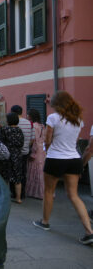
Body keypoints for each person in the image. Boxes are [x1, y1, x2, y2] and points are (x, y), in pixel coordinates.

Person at [32, 91, 93, 245]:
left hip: (55, 158)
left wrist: (50, 150)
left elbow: (47, 140)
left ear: (58, 104)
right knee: (74, 195)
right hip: (74, 159)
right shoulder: (78, 120)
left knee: (49, 191)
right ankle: (89, 231)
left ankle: (45, 222)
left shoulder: (53, 118)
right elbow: (76, 140)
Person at [0, 113, 24, 202]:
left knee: (5, 177)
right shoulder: (19, 130)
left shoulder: (4, 129)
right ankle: (18, 198)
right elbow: (21, 143)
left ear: (8, 120)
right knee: (17, 178)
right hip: (17, 156)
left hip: (6, 155)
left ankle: (6, 197)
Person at [11, 105, 35, 200]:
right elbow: (32, 139)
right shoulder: (29, 123)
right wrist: (26, 146)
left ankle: (14, 193)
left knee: (14, 173)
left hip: (14, 153)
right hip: (25, 152)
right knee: (23, 173)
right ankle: (22, 193)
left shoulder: (13, 123)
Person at [26, 109, 46, 199]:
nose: (27, 116)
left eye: (28, 114)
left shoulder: (33, 126)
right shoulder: (42, 126)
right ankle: (43, 192)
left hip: (36, 149)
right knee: (41, 171)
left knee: (34, 170)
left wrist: (32, 152)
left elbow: (34, 141)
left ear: (31, 116)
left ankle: (35, 192)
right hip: (42, 150)